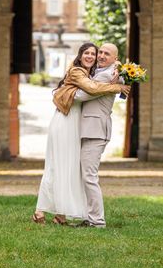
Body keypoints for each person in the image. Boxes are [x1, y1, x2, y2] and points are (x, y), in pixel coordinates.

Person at [32, 42, 130, 225]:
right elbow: (86, 92)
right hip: (66, 121)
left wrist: (117, 69)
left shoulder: (100, 73)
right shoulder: (79, 72)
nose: (94, 56)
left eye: (98, 53)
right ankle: (41, 211)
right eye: (91, 53)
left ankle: (63, 215)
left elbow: (90, 89)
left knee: (70, 169)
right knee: (57, 165)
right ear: (79, 55)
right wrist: (116, 87)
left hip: (78, 125)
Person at [75, 43, 123, 228]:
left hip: (95, 130)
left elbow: (80, 96)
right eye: (100, 52)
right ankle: (90, 216)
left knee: (89, 176)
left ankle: (97, 221)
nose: (101, 56)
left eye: (106, 54)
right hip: (90, 128)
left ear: (115, 58)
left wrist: (68, 87)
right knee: (86, 175)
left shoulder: (105, 75)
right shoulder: (104, 72)